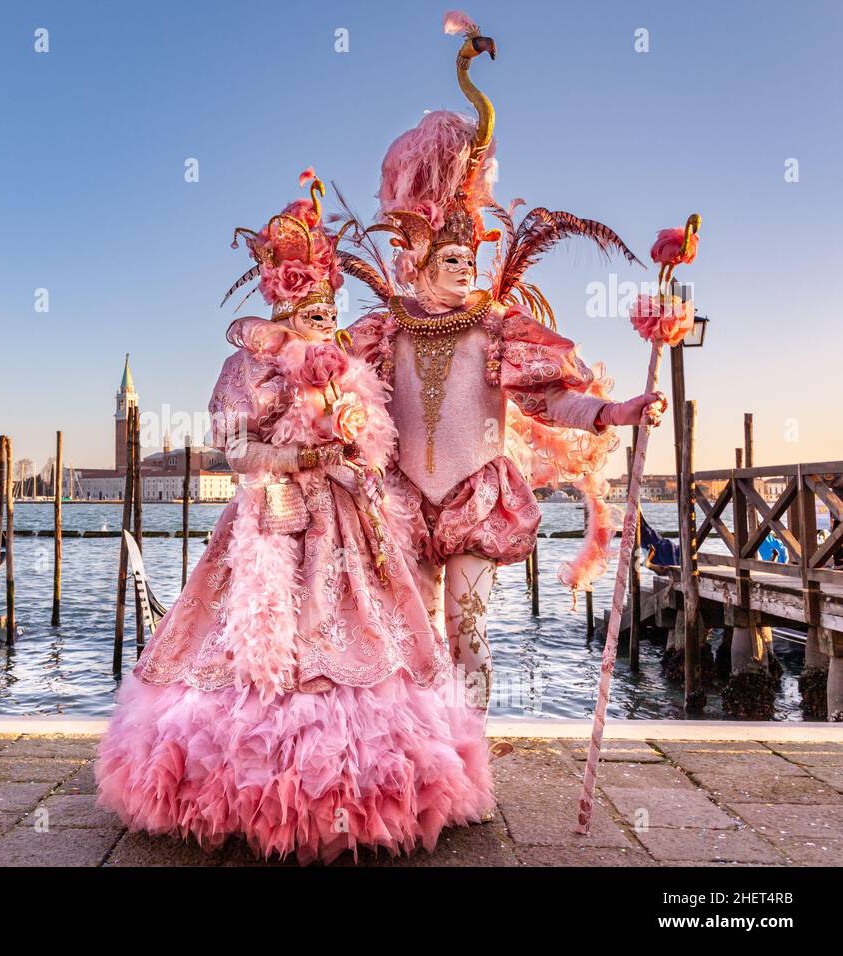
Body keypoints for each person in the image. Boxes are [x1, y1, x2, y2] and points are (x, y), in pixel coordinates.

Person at [95, 171, 492, 864]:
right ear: (281, 306)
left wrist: (352, 447)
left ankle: (372, 787)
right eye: (308, 305)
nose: (321, 316)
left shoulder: (347, 366)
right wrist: (298, 456)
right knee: (258, 647)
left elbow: (375, 439)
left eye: (328, 306)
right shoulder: (246, 367)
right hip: (271, 525)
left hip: (346, 525)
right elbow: (234, 449)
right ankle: (248, 787)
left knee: (366, 634)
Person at [346, 10, 666, 710]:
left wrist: (614, 412)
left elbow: (547, 401)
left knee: (468, 628)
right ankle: (417, 756)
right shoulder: (382, 331)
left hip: (473, 500)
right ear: (419, 260)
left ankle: (467, 753)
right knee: (410, 636)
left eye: (472, 258)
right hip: (399, 502)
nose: (467, 267)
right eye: (452, 258)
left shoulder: (497, 329)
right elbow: (343, 405)